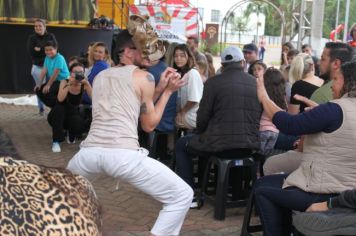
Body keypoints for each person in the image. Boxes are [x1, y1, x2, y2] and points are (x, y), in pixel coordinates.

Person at [66, 24, 193, 236]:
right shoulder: (145, 77)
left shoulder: (100, 77)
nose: (149, 54)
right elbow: (148, 124)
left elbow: (132, 105)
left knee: (66, 195)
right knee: (182, 195)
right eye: (142, 49)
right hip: (123, 156)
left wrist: (160, 88)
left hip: (87, 155)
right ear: (127, 52)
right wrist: (169, 92)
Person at [252, 60, 356, 236]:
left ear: (350, 82)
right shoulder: (336, 111)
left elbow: (289, 124)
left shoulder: (335, 109)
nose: (331, 86)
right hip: (348, 190)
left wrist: (264, 97)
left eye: (336, 79)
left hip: (324, 190)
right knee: (273, 183)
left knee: (261, 188)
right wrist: (318, 113)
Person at [175, 46, 261, 207]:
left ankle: (190, 195)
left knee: (181, 144)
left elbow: (202, 117)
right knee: (225, 141)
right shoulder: (254, 83)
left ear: (222, 64)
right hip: (250, 145)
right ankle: (235, 192)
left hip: (219, 145)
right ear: (242, 62)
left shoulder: (213, 82)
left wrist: (199, 133)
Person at [48, 62, 92, 152]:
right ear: (70, 73)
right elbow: (60, 99)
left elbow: (94, 99)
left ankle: (71, 133)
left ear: (84, 73)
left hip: (72, 113)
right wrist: (69, 84)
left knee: (78, 124)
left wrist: (87, 84)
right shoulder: (64, 81)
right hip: (57, 114)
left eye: (80, 72)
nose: (77, 74)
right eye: (75, 72)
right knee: (59, 110)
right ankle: (56, 141)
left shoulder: (84, 84)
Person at [27, 18, 57, 115]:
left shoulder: (51, 36)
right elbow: (32, 53)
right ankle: (41, 109)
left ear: (45, 27)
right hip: (38, 67)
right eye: (35, 26)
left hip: (51, 67)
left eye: (40, 26)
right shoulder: (32, 38)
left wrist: (39, 49)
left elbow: (55, 50)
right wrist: (47, 49)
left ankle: (54, 108)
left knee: (52, 88)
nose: (37, 28)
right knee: (39, 89)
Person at [255, 67, 287, 155]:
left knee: (258, 156)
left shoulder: (263, 95)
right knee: (268, 156)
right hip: (275, 133)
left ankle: (258, 168)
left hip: (262, 130)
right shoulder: (282, 98)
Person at [173, 44, 204, 129]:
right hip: (187, 114)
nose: (178, 59)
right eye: (176, 56)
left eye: (182, 56)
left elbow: (194, 99)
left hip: (193, 117)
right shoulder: (182, 73)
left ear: (189, 57)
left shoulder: (193, 73)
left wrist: (182, 112)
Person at [35, 40, 70, 108]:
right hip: (55, 81)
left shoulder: (60, 58)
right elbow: (44, 71)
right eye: (46, 50)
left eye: (50, 50)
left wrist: (48, 85)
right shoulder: (47, 58)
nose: (48, 52)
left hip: (64, 81)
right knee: (38, 90)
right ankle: (53, 107)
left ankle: (57, 107)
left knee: (49, 90)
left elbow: (56, 73)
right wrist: (39, 83)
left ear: (56, 49)